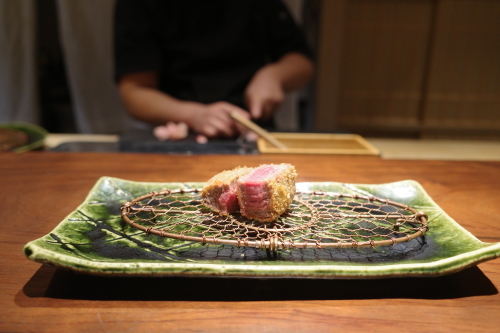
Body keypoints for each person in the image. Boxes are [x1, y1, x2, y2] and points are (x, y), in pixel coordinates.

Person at [114, 0, 314, 143]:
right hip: (176, 135)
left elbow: (301, 61)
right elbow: (134, 93)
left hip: (251, 131)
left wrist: (274, 75)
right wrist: (195, 116)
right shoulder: (138, 4)